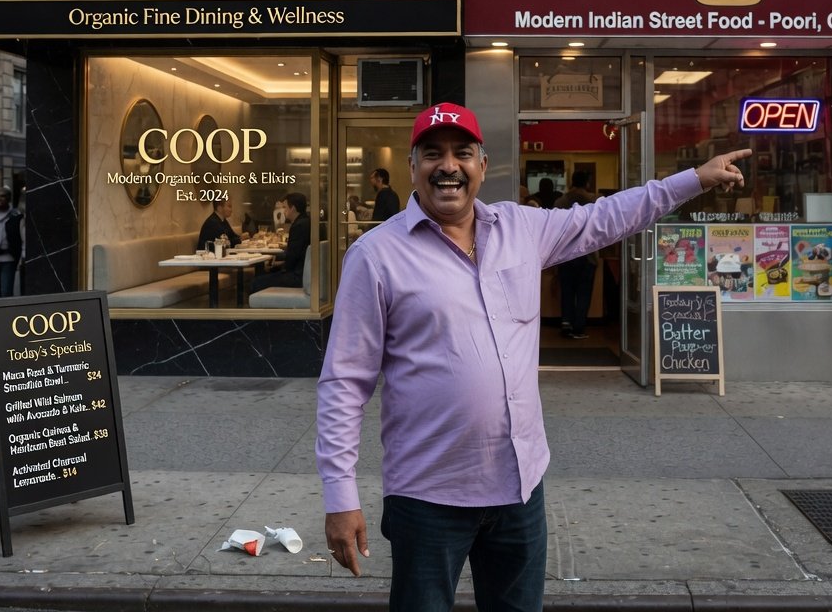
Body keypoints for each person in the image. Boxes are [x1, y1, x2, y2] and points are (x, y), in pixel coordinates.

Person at [316, 102, 750, 611]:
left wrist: (693, 179)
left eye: (463, 153)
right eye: (432, 154)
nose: (448, 165)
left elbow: (607, 217)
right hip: (428, 497)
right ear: (413, 167)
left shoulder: (521, 229)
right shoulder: (376, 255)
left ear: (483, 164)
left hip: (519, 488)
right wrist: (339, 494)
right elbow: (344, 381)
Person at [553, 171, 598, 339]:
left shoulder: (560, 201)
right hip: (588, 253)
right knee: (584, 293)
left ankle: (566, 323)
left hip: (565, 253)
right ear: (587, 182)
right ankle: (579, 327)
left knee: (567, 290)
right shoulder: (594, 201)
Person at [252, 193, 310, 290]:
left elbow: (292, 258)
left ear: (293, 208)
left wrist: (278, 267)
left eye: (285, 207)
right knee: (267, 274)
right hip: (304, 272)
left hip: (298, 276)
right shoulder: (306, 221)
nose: (283, 211)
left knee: (255, 283)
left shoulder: (298, 226)